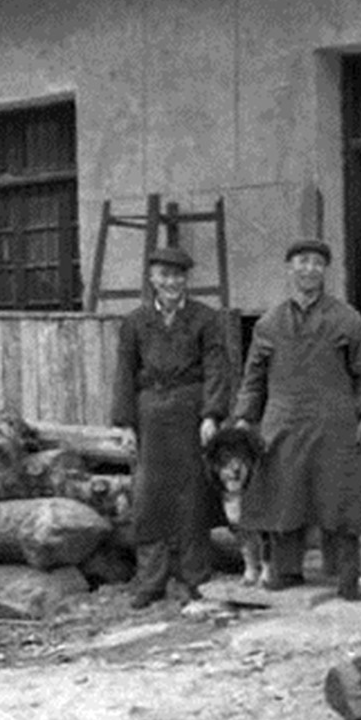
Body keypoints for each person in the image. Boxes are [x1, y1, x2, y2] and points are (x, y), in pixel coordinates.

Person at [233, 239, 361, 600]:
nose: (309, 269)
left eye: (317, 263)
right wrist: (244, 418)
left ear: (324, 270)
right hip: (283, 420)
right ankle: (286, 571)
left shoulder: (347, 318)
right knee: (284, 494)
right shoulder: (269, 323)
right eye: (302, 261)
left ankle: (346, 575)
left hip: (335, 421)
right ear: (290, 268)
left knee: (340, 496)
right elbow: (253, 377)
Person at [111, 245, 230, 609]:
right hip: (150, 415)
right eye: (164, 275)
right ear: (152, 279)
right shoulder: (135, 322)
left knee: (193, 495)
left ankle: (196, 577)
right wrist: (125, 424)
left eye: (178, 276)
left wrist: (211, 415)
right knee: (149, 498)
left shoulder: (205, 319)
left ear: (186, 280)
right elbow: (124, 374)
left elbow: (217, 369)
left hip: (190, 413)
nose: (171, 282)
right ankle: (151, 581)